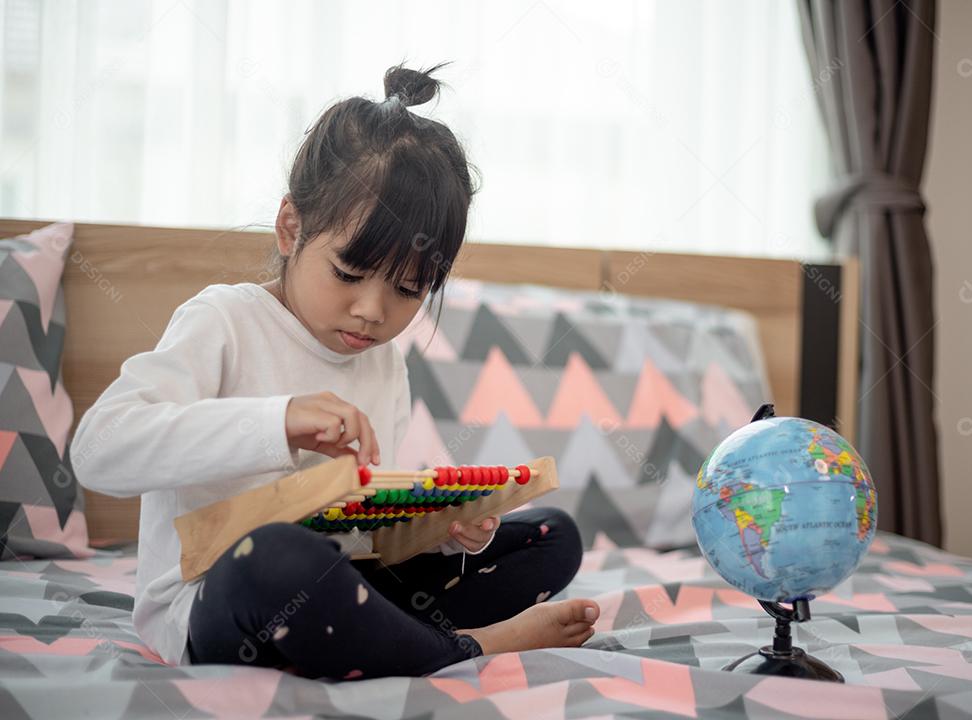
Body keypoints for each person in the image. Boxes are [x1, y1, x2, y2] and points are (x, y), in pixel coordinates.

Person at [71, 63, 599, 681]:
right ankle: (465, 649)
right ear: (291, 227)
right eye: (348, 274)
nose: (372, 311)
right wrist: (279, 421)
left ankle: (401, 639)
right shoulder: (223, 321)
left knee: (551, 534)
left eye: (407, 289)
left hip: (337, 586)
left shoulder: (384, 365)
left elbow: (361, 538)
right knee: (278, 557)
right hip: (221, 602)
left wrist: (442, 531)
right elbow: (97, 451)